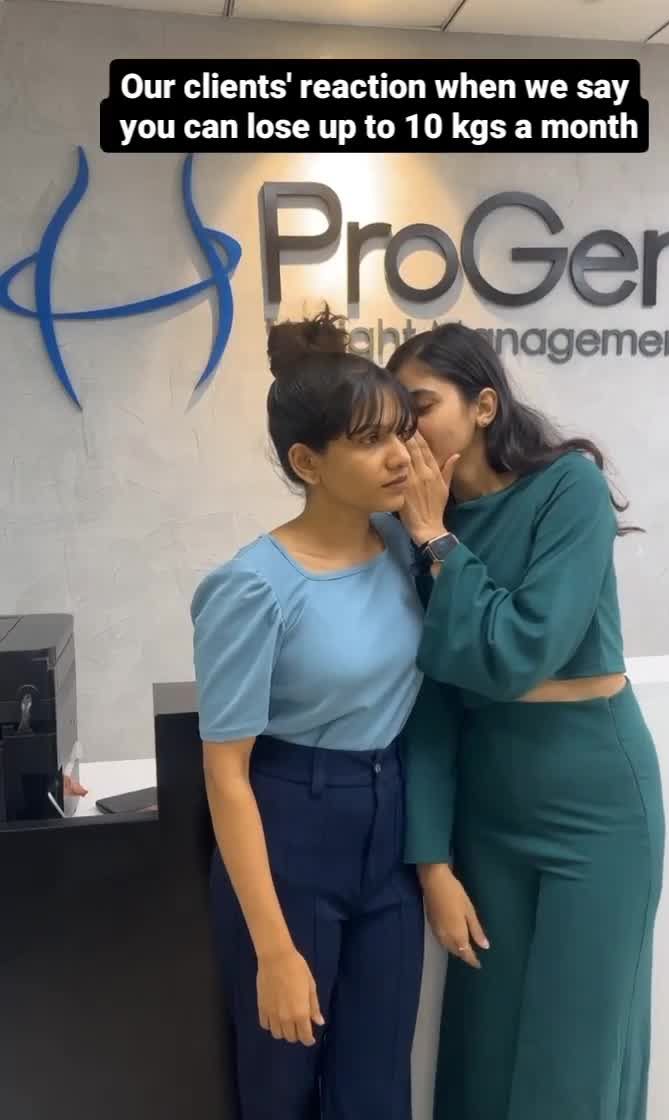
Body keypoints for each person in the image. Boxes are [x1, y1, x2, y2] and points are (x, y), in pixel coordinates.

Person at [386, 323, 665, 1120]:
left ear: (483, 406)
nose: (406, 433)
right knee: (485, 1046)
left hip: (596, 803)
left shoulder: (567, 489)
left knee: (577, 1051)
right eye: (396, 416)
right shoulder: (409, 527)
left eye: (420, 407)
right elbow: (430, 701)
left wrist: (438, 542)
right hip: (489, 812)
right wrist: (432, 864)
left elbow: (523, 649)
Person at [190, 309, 426, 1120]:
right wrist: (274, 949)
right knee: (281, 1086)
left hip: (388, 824)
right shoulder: (252, 586)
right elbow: (226, 773)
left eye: (401, 433)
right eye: (371, 440)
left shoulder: (403, 547)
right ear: (307, 462)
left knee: (377, 1086)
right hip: (291, 830)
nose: (400, 456)